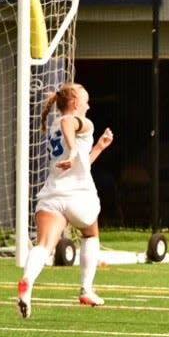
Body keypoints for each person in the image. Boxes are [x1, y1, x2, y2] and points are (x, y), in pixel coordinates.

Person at [17, 82, 114, 319]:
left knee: (44, 245)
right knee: (91, 234)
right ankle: (86, 289)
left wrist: (98, 148)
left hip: (53, 194)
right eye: (86, 100)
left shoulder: (52, 125)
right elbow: (68, 121)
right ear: (74, 103)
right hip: (80, 195)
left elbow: (80, 162)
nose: (88, 105)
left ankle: (27, 283)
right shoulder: (80, 122)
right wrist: (72, 151)